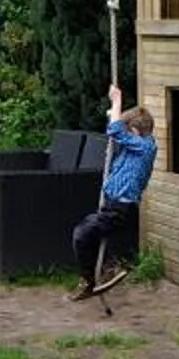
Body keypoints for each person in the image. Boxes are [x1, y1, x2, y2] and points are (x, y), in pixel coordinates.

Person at [71, 86, 158, 298]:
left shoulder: (146, 147)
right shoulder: (133, 148)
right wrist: (114, 113)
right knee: (92, 234)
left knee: (81, 234)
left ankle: (88, 280)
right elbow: (116, 131)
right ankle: (110, 267)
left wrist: (117, 100)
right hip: (113, 203)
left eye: (128, 133)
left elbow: (116, 131)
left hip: (121, 207)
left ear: (135, 133)